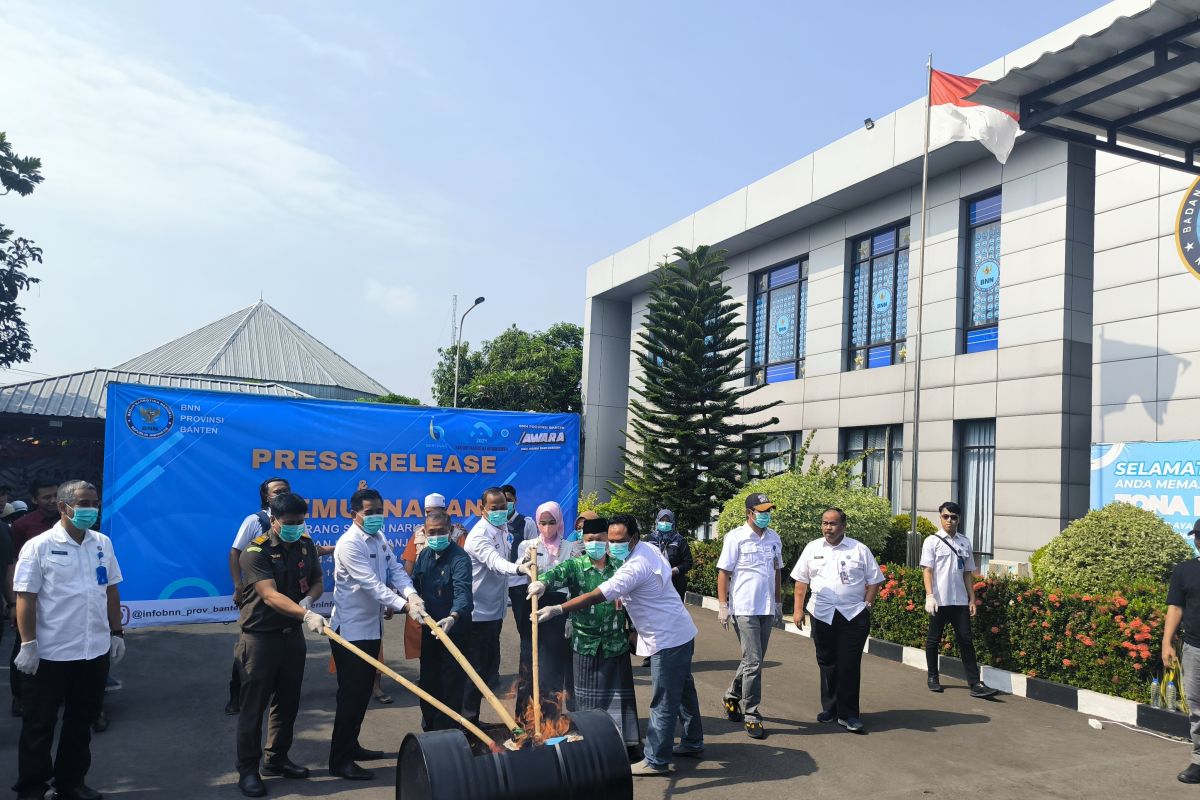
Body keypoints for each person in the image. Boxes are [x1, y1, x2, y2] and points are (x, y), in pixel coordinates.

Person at [537, 514, 702, 777]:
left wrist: (558, 608)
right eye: (609, 540)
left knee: (664, 699)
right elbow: (561, 571)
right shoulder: (648, 548)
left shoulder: (632, 567)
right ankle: (693, 741)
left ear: (634, 538)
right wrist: (542, 581)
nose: (612, 546)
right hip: (679, 631)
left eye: (618, 541)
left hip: (667, 638)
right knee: (683, 690)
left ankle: (656, 760)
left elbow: (597, 595)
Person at [13, 479, 124, 800]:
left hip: (93, 652)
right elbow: (26, 597)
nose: (91, 509)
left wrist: (116, 632)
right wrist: (28, 644)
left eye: (94, 503)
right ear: (63, 507)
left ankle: (70, 784)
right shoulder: (39, 546)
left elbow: (111, 589)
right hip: (50, 654)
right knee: (39, 727)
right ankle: (32, 789)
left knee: (80, 724)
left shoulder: (102, 542)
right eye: (84, 503)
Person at [327, 487, 424, 781]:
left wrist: (412, 594)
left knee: (361, 693)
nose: (376, 517)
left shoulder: (379, 538)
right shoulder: (349, 544)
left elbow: (395, 569)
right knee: (351, 695)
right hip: (350, 630)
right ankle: (339, 761)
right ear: (353, 514)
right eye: (369, 513)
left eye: (379, 511)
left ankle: (351, 746)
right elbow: (371, 584)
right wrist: (405, 606)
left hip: (371, 627)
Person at [234, 491, 326, 798]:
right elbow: (270, 595)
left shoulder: (305, 545)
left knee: (287, 703)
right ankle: (248, 771)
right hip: (260, 638)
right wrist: (306, 613)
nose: (296, 527)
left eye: (301, 521)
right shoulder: (256, 551)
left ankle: (277, 759)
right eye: (290, 522)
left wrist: (310, 599)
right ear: (273, 520)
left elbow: (317, 580)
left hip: (291, 637)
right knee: (253, 709)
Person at [528, 514, 641, 754]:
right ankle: (591, 743)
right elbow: (554, 574)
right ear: (583, 540)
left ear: (608, 541)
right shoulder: (576, 565)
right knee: (587, 699)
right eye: (589, 539)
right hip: (585, 642)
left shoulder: (620, 566)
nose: (594, 543)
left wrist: (633, 631)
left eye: (600, 539)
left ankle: (624, 744)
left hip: (615, 642)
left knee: (619, 698)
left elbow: (633, 601)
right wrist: (542, 583)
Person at [791, 507, 884, 734]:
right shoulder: (812, 548)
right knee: (827, 662)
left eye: (832, 524)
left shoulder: (859, 549)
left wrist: (867, 606)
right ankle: (830, 708)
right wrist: (798, 611)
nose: (827, 528)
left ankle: (849, 714)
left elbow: (875, 580)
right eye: (824, 523)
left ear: (843, 526)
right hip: (822, 615)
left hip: (852, 615)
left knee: (849, 664)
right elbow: (801, 582)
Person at [461, 486, 534, 724]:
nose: (501, 511)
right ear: (482, 509)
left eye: (504, 507)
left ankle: (473, 717)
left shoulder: (501, 529)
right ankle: (467, 721)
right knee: (475, 671)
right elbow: (495, 562)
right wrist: (517, 568)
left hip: (494, 612)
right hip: (477, 614)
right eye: (495, 508)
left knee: (489, 669)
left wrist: (521, 561)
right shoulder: (479, 534)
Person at [717, 493, 784, 739]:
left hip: (765, 607)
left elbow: (777, 571)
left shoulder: (774, 538)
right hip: (744, 607)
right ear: (749, 513)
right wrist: (723, 605)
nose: (765, 515)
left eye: (768, 511)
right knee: (754, 661)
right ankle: (752, 713)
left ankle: (732, 695)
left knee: (752, 661)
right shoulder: (736, 537)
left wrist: (778, 602)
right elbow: (723, 572)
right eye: (761, 511)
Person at [225, 476, 293, 715]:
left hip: (284, 592)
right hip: (256, 593)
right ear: (266, 496)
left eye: (285, 490)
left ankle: (275, 693)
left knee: (281, 644)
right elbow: (235, 553)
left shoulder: (295, 521)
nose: (281, 494)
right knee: (249, 647)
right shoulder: (254, 521)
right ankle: (237, 696)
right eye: (276, 491)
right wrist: (238, 585)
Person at [922, 501, 997, 698]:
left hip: (960, 601)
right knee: (933, 639)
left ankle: (974, 684)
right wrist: (929, 595)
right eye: (945, 516)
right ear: (940, 517)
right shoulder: (932, 541)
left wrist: (972, 599)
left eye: (953, 517)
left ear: (959, 519)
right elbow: (927, 570)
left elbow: (967, 573)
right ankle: (933, 677)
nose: (949, 520)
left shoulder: (965, 541)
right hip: (939, 600)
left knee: (966, 640)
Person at [513, 501, 577, 719]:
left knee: (553, 666)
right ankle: (524, 720)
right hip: (532, 605)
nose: (547, 527)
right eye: (543, 523)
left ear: (559, 522)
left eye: (552, 522)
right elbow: (519, 570)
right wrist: (525, 565)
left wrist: (569, 618)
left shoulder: (570, 547)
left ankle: (550, 719)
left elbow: (573, 583)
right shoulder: (528, 545)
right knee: (529, 662)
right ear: (537, 523)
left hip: (558, 609)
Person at [411, 508, 473, 732]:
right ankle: (429, 726)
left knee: (451, 684)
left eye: (441, 531)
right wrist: (411, 600)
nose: (436, 536)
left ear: (450, 530)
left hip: (454, 631)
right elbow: (415, 584)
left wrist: (452, 617)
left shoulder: (460, 558)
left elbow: (463, 594)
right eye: (432, 532)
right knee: (428, 681)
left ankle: (448, 733)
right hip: (430, 630)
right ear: (425, 533)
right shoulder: (425, 555)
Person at [9, 478, 59, 720]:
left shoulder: (69, 520)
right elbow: (14, 563)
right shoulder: (22, 526)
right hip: (31, 594)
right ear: (34, 500)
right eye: (46, 497)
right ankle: (20, 696)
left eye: (56, 496)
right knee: (24, 644)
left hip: (63, 597)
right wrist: (12, 602)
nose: (52, 501)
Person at [1163, 520, 1200, 784]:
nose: (1199, 540)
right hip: (1195, 648)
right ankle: (1199, 761)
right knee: (1197, 709)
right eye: (1197, 536)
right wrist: (1167, 642)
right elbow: (1175, 608)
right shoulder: (1185, 570)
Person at [501, 484, 538, 675]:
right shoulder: (494, 523)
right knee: (491, 630)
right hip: (498, 584)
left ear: (515, 500)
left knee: (524, 629)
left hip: (518, 584)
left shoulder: (527, 523)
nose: (505, 503)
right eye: (502, 500)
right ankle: (491, 674)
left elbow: (534, 553)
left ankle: (527, 672)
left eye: (508, 499)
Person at [650, 509, 693, 600]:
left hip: (675, 585)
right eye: (662, 520)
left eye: (667, 520)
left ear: (672, 522)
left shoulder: (679, 540)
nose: (664, 523)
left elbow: (688, 562)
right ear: (657, 521)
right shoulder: (650, 539)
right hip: (653, 584)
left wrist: (676, 570)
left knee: (674, 612)